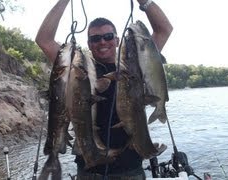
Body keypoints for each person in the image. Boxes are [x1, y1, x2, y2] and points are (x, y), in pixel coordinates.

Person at [35, 0, 173, 179]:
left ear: (116, 40)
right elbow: (44, 41)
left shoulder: (136, 64)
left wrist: (144, 2)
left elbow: (164, 29)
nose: (102, 42)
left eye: (108, 36)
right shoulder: (79, 69)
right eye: (95, 38)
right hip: (89, 170)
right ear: (89, 43)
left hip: (130, 169)